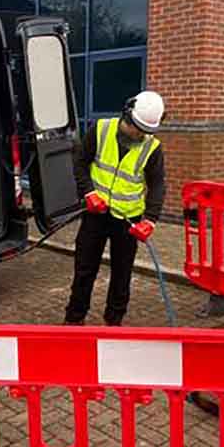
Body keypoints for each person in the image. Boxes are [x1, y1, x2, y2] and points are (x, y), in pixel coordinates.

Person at [64, 91, 166, 326]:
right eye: (137, 128)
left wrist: (150, 219)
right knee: (84, 269)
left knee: (122, 274)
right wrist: (88, 192)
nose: (141, 135)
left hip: (128, 221)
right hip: (95, 215)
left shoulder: (152, 148)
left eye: (146, 131)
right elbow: (80, 162)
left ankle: (114, 322)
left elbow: (157, 184)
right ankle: (74, 319)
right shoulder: (100, 129)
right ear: (126, 116)